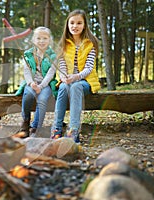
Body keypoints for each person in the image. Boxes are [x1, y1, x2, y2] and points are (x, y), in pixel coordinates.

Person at [51, 9, 101, 143]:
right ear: (67, 24)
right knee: (62, 88)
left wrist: (75, 77)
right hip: (68, 80)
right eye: (72, 23)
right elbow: (61, 66)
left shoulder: (90, 43)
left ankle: (73, 131)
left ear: (84, 25)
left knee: (76, 87)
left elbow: (89, 68)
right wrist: (63, 76)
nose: (75, 26)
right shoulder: (63, 44)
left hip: (85, 81)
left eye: (79, 23)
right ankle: (56, 129)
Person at [15, 26, 58, 137]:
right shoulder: (28, 54)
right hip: (32, 83)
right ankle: (25, 123)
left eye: (45, 38)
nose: (41, 41)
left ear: (49, 40)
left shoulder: (53, 56)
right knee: (28, 94)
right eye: (38, 38)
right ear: (34, 40)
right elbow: (27, 71)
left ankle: (35, 128)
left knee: (43, 99)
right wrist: (31, 83)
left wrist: (42, 86)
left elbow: (50, 74)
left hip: (46, 85)